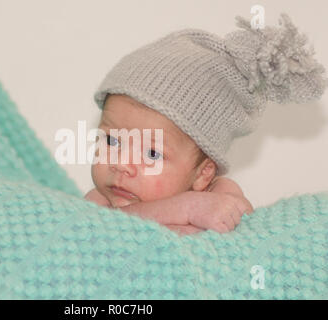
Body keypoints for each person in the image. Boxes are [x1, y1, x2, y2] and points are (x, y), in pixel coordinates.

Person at [85, 13, 327, 236]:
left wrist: (196, 209)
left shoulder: (218, 193)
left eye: (151, 153)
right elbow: (107, 227)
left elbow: (238, 230)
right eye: (112, 140)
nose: (120, 164)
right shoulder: (100, 200)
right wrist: (182, 209)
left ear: (202, 174)